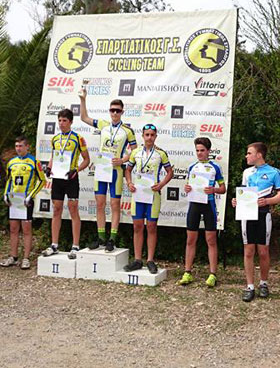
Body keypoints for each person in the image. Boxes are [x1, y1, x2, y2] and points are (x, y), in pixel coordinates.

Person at [79, 90, 137, 251]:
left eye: (118, 110)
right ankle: (101, 238)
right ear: (109, 111)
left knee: (115, 204)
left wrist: (123, 160)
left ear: (122, 112)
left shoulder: (127, 131)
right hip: (101, 169)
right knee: (99, 204)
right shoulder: (103, 124)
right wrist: (83, 99)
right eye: (112, 110)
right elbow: (84, 118)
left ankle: (112, 239)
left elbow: (135, 151)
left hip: (116, 170)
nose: (115, 113)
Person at [232, 142, 280, 302]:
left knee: (263, 251)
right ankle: (250, 286)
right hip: (247, 214)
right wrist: (236, 201)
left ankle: (263, 283)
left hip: (263, 214)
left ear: (259, 155)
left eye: (249, 153)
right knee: (248, 251)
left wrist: (267, 201)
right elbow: (244, 193)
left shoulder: (274, 172)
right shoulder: (247, 172)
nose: (246, 156)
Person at [123, 124, 173, 274]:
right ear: (143, 136)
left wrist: (161, 184)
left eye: (152, 135)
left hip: (153, 194)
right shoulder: (135, 152)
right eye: (147, 135)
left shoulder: (161, 154)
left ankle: (150, 260)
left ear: (156, 136)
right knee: (137, 226)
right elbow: (128, 170)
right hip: (138, 194)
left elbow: (170, 172)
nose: (149, 137)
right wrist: (129, 183)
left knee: (151, 227)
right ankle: (138, 260)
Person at [176, 137, 226, 287]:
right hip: (194, 205)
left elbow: (223, 189)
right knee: (190, 239)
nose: (199, 153)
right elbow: (189, 185)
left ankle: (213, 274)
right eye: (197, 150)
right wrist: (187, 188)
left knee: (211, 240)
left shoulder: (215, 167)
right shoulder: (192, 167)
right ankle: (187, 272)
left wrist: (214, 189)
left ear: (208, 151)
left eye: (202, 150)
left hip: (208, 205)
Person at [41, 109, 90, 259]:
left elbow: (87, 160)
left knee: (73, 209)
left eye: (64, 121)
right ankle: (54, 244)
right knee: (56, 210)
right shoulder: (55, 139)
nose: (61, 123)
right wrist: (49, 168)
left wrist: (76, 170)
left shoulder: (78, 138)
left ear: (71, 122)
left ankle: (75, 245)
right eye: (60, 120)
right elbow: (53, 157)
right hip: (57, 178)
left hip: (71, 178)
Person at [0, 136, 46, 269]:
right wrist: (6, 194)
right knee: (13, 229)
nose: (18, 148)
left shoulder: (34, 162)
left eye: (21, 146)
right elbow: (9, 180)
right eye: (16, 146)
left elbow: (42, 180)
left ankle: (26, 258)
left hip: (26, 199)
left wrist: (31, 195)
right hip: (15, 198)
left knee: (26, 229)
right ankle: (13, 256)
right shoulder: (12, 162)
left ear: (27, 147)